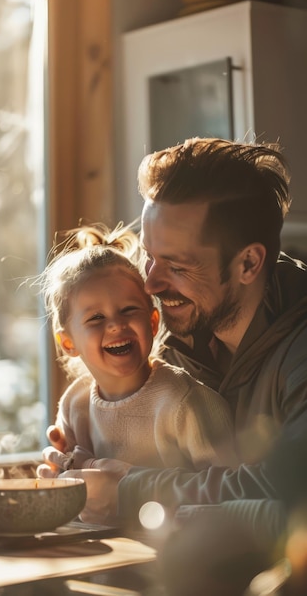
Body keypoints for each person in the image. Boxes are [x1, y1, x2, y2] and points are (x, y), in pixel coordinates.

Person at [39, 137, 307, 593]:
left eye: (176, 265)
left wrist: (126, 492)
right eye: (149, 255)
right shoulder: (169, 332)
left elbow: (285, 496)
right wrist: (77, 468)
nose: (150, 282)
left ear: (248, 262)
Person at [39, 222, 238, 477]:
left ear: (153, 322)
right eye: (96, 318)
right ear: (68, 343)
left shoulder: (187, 402)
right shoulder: (74, 403)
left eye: (128, 310)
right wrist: (58, 477)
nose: (115, 325)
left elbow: (229, 490)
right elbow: (71, 482)